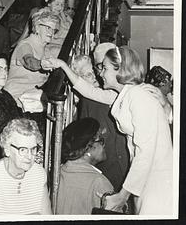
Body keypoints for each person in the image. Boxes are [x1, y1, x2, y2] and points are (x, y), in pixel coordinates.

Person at [43, 46, 173, 215]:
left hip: (156, 176)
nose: (100, 73)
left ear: (119, 69)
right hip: (144, 176)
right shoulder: (125, 94)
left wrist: (123, 195)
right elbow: (88, 90)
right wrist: (63, 65)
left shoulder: (138, 96)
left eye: (105, 68)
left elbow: (146, 152)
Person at [72, 53, 129, 192]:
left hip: (125, 161)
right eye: (87, 75)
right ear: (78, 80)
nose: (94, 77)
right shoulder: (87, 103)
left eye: (92, 71)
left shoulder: (109, 92)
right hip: (107, 167)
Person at [0, 118, 52, 215]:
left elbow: (47, 218)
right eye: (22, 150)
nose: (29, 156)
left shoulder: (39, 174)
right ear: (7, 149)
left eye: (33, 149)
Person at [4, 9, 60, 141]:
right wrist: (42, 64)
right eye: (47, 27)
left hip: (32, 101)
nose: (51, 32)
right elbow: (30, 62)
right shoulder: (26, 44)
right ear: (37, 27)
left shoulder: (44, 48)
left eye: (54, 30)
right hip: (16, 101)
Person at [56, 117, 114, 215]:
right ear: (88, 149)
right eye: (101, 141)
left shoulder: (58, 173)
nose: (103, 145)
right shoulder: (99, 183)